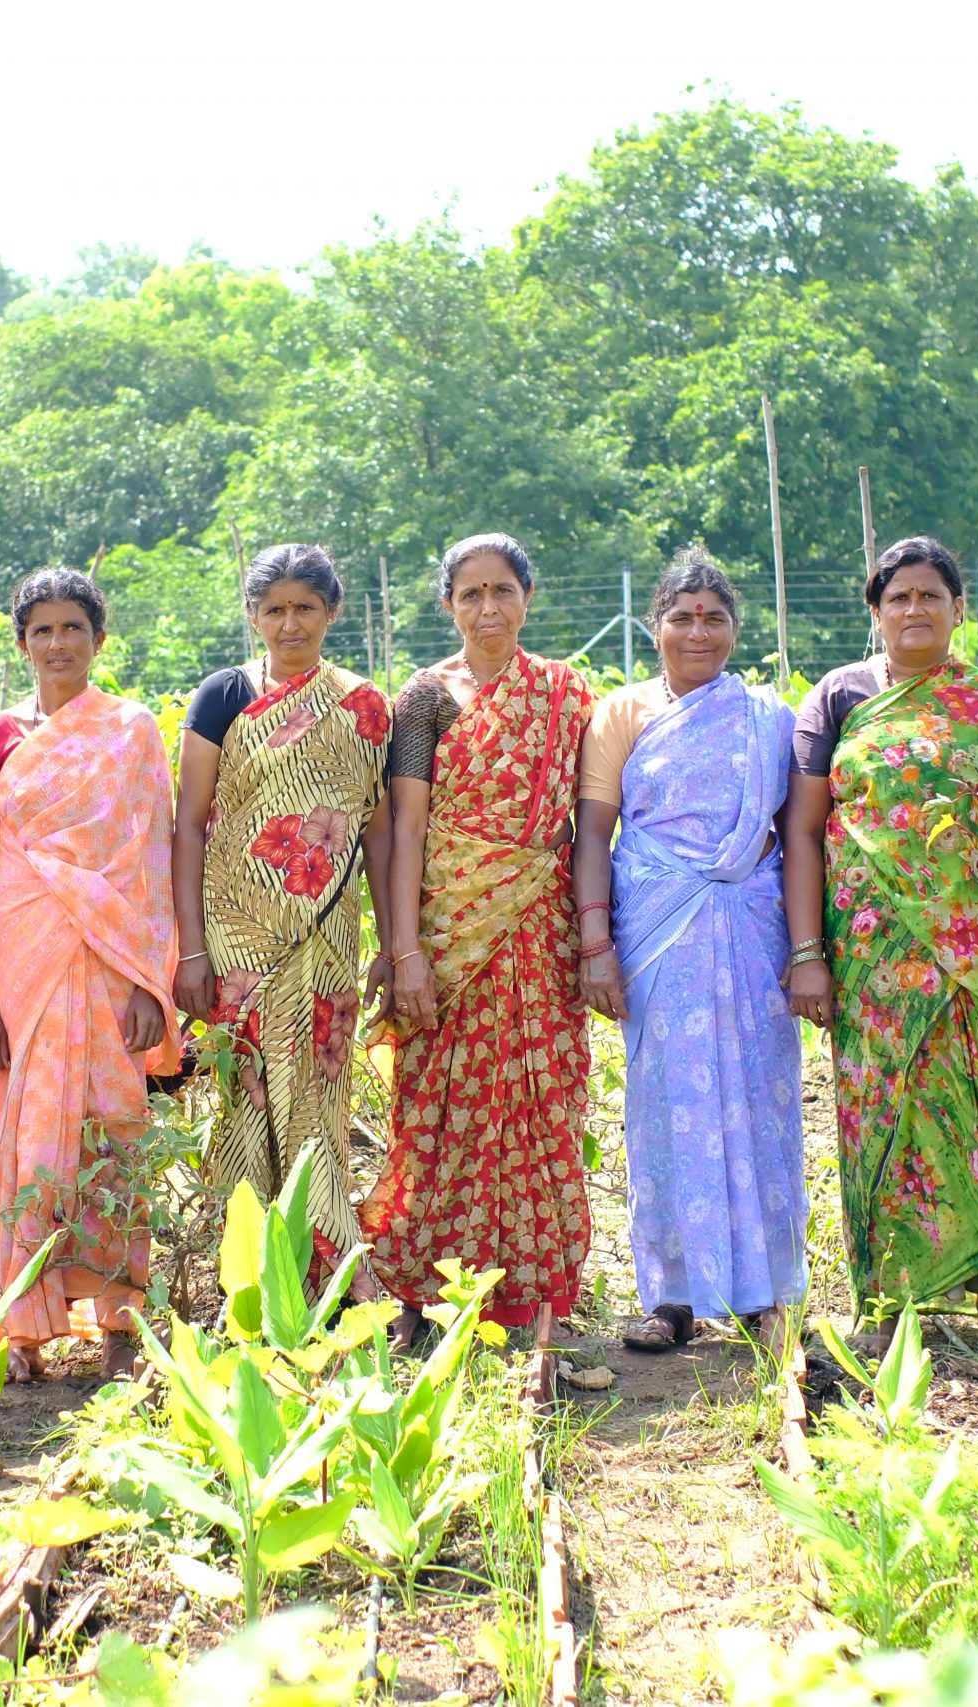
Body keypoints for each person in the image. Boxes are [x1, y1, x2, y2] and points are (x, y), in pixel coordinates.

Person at [782, 536, 978, 1351]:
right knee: (877, 1115)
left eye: (931, 595)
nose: (915, 610)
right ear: (876, 612)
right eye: (898, 598)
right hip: (872, 956)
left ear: (959, 609)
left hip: (974, 961)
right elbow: (804, 828)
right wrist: (806, 952)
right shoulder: (839, 697)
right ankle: (888, 1308)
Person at [571, 552, 804, 1355]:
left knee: (760, 1099)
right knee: (666, 1107)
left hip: (749, 925)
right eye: (682, 615)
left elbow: (795, 836)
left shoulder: (771, 717)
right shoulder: (622, 714)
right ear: (655, 625)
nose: (697, 630)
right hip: (657, 929)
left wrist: (807, 948)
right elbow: (594, 835)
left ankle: (766, 1292)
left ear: (735, 628)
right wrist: (594, 941)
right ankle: (671, 1296)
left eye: (713, 615)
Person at [369, 533, 596, 1341]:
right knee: (432, 1105)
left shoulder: (566, 694)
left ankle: (534, 1296)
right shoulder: (426, 699)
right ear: (448, 606)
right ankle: (419, 1296)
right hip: (447, 932)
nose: (489, 607)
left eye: (503, 590)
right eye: (471, 594)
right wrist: (405, 952)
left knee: (538, 1105)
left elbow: (586, 820)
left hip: (537, 930)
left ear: (528, 597)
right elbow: (406, 830)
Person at [0, 569, 179, 1383]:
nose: (57, 644)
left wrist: (150, 983)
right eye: (42, 630)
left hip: (112, 957)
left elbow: (150, 861)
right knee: (30, 1142)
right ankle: (23, 1320)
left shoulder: (130, 732)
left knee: (113, 1130)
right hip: (23, 949)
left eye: (73, 628)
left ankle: (119, 1315)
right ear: (22, 643)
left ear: (99, 639)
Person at [171, 543, 394, 1273]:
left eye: (305, 607)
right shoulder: (224, 696)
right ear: (253, 616)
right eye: (275, 610)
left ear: (332, 611)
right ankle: (248, 1274)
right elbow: (190, 823)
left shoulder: (362, 704)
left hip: (324, 935)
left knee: (319, 1103)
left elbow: (380, 831)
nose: (290, 623)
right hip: (236, 936)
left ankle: (325, 1266)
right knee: (245, 1101)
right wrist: (193, 950)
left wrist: (391, 944)